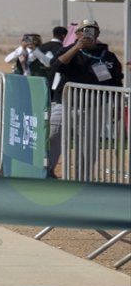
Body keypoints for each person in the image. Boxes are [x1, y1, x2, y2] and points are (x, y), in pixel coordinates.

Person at [47, 19, 123, 179]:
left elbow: (116, 81)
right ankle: (47, 171)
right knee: (53, 135)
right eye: (86, 30)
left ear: (98, 34)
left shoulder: (108, 56)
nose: (90, 33)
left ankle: (83, 178)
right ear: (78, 33)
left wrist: (116, 104)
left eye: (93, 30)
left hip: (94, 107)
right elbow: (56, 66)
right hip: (66, 103)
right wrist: (76, 47)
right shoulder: (69, 51)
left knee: (87, 145)